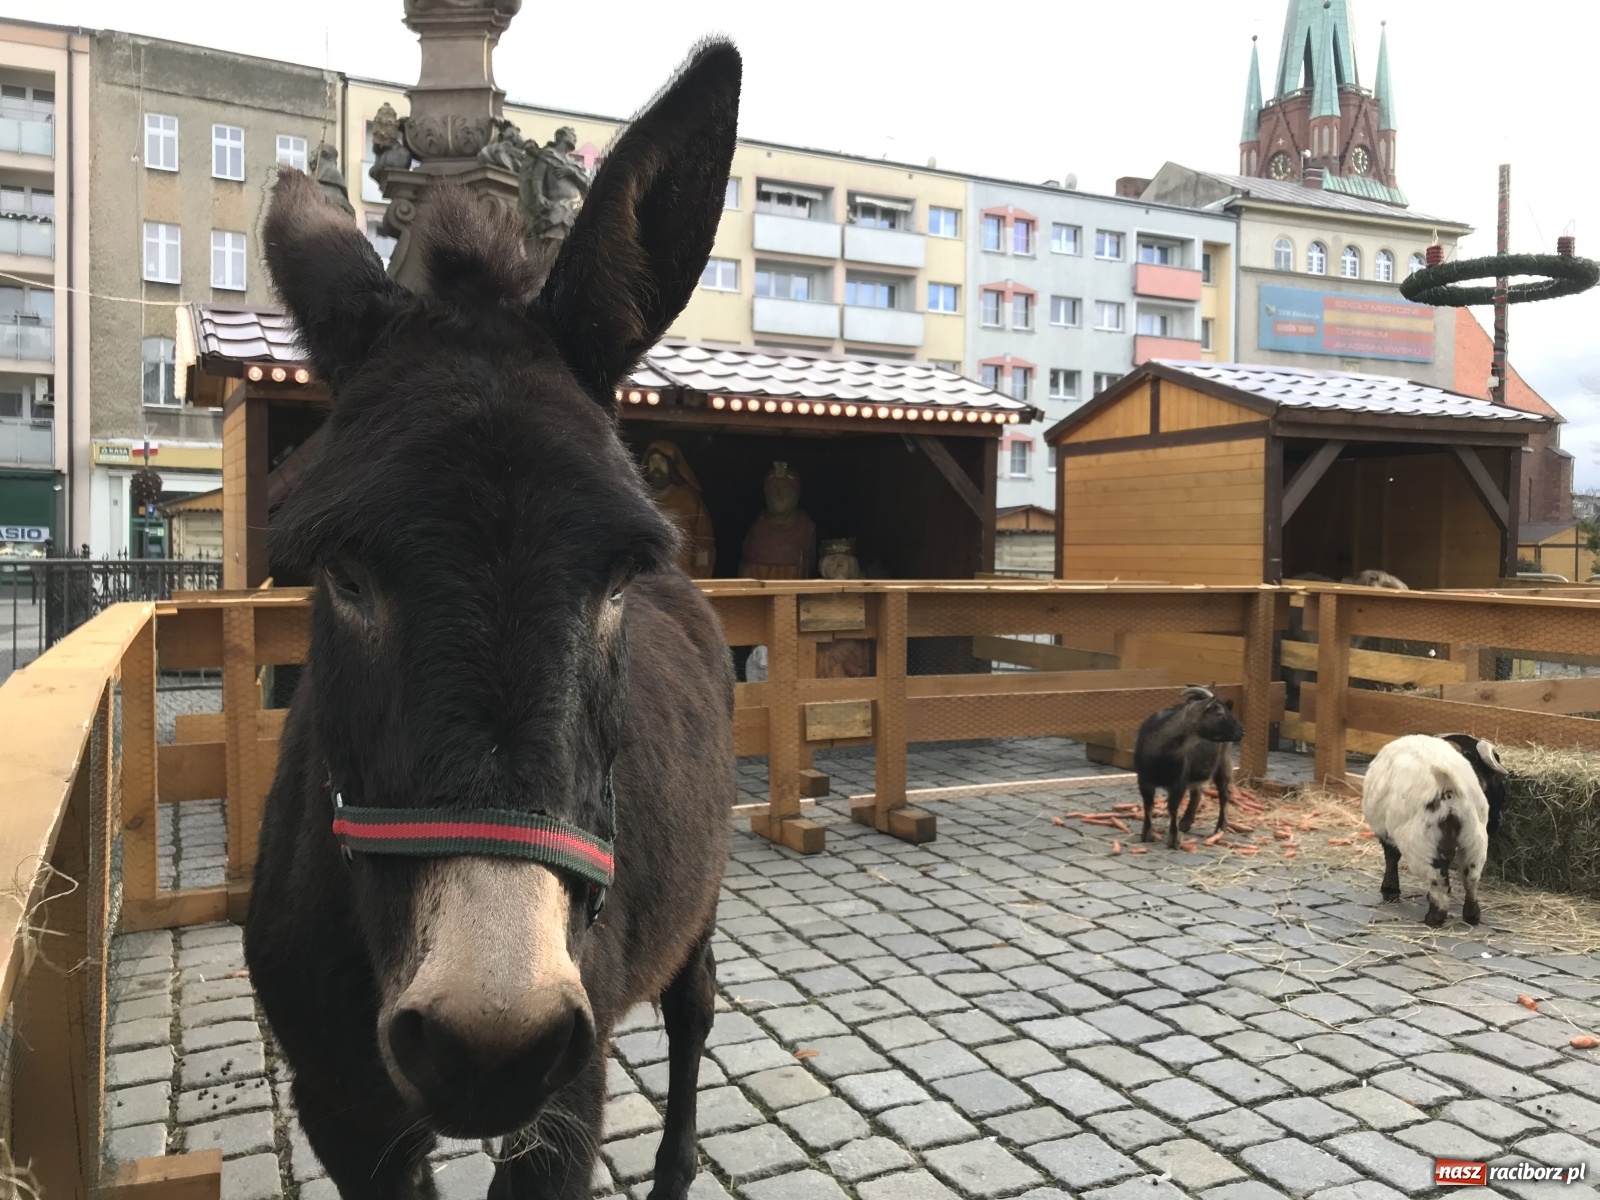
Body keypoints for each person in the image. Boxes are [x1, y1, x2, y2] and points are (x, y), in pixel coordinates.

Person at [642, 441, 716, 578]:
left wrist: (702, 573)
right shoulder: (641, 497)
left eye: (662, 461)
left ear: (671, 466)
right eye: (653, 461)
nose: (657, 466)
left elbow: (704, 541)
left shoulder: (687, 499)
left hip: (683, 576)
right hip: (649, 579)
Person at [739, 462, 816, 580]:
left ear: (796, 494)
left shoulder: (805, 529)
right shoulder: (757, 530)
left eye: (785, 487)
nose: (779, 494)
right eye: (774, 488)